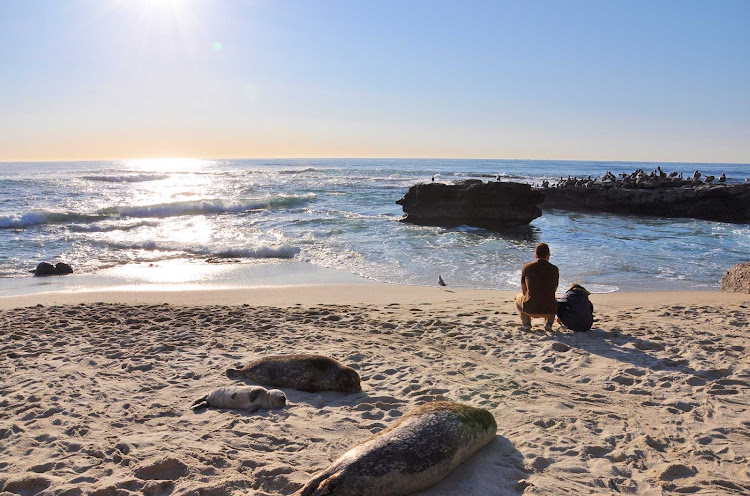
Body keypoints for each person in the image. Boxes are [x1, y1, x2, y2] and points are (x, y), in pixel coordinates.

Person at [515, 243, 558, 331]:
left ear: (535, 255)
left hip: (530, 310)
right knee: (553, 298)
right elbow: (554, 290)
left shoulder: (526, 267)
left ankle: (526, 323)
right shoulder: (554, 269)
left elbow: (524, 290)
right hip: (549, 310)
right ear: (548, 256)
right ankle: (549, 323)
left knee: (517, 297)